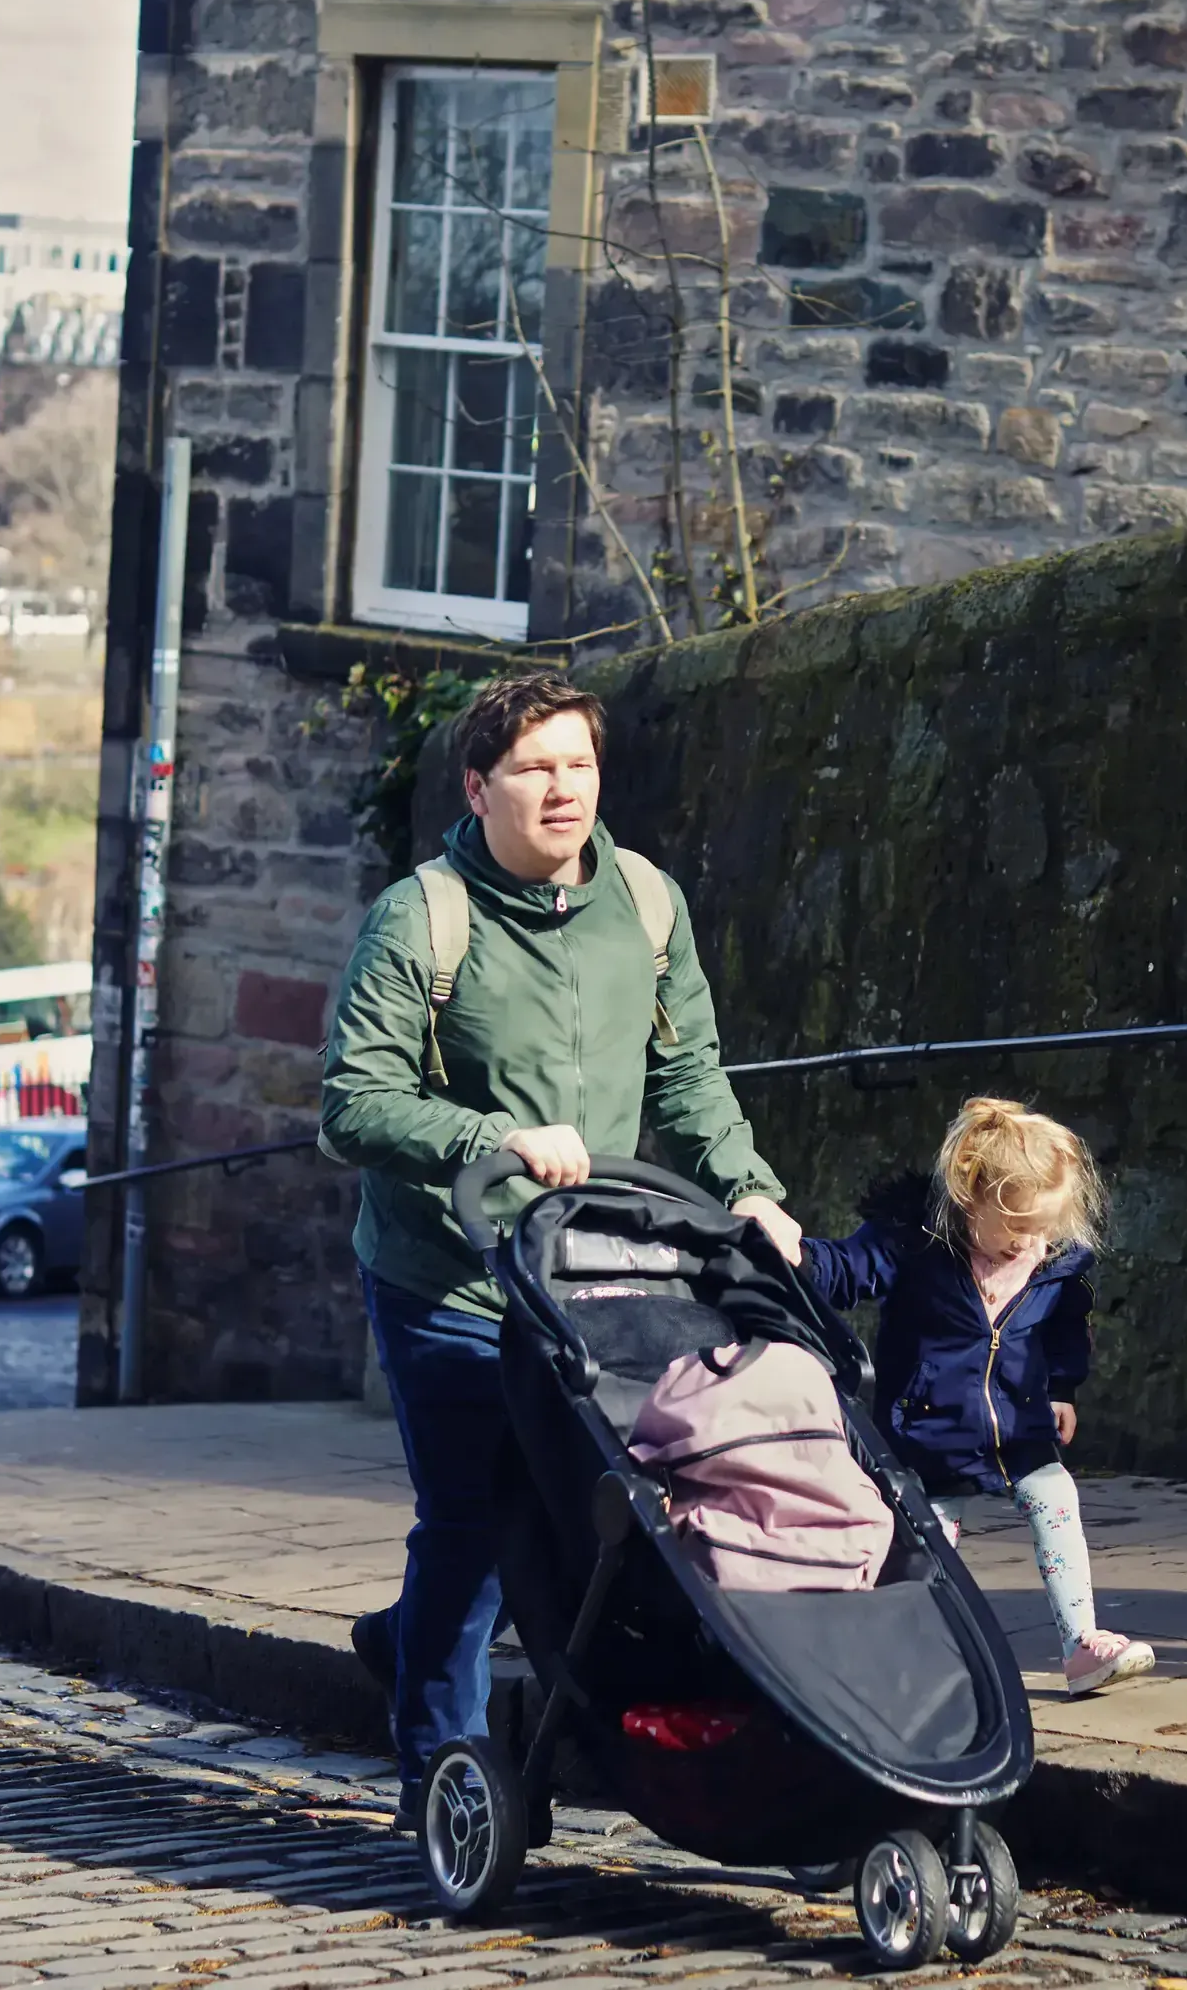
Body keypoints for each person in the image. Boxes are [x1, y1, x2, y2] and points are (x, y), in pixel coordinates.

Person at [317, 673, 801, 1829]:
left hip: (586, 1278)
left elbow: (688, 1076)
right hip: (449, 1278)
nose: (562, 788)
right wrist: (497, 1140)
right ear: (478, 787)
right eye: (534, 767)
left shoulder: (645, 902)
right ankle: (442, 1770)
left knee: (588, 1514)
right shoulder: (423, 916)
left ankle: (406, 1638)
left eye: (578, 764)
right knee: (474, 1523)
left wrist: (750, 1188)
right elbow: (351, 1104)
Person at [801, 1098, 1157, 1697]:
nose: (1031, 1242)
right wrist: (797, 1257)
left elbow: (1067, 1324)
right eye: (1017, 1226)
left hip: (1018, 1426)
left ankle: (1080, 1644)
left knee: (1056, 1497)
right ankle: (899, 1656)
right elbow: (846, 1269)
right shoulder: (913, 1245)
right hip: (929, 1433)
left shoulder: (1057, 1264)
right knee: (926, 1551)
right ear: (970, 1200)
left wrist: (1063, 1389)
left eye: (1044, 1226)